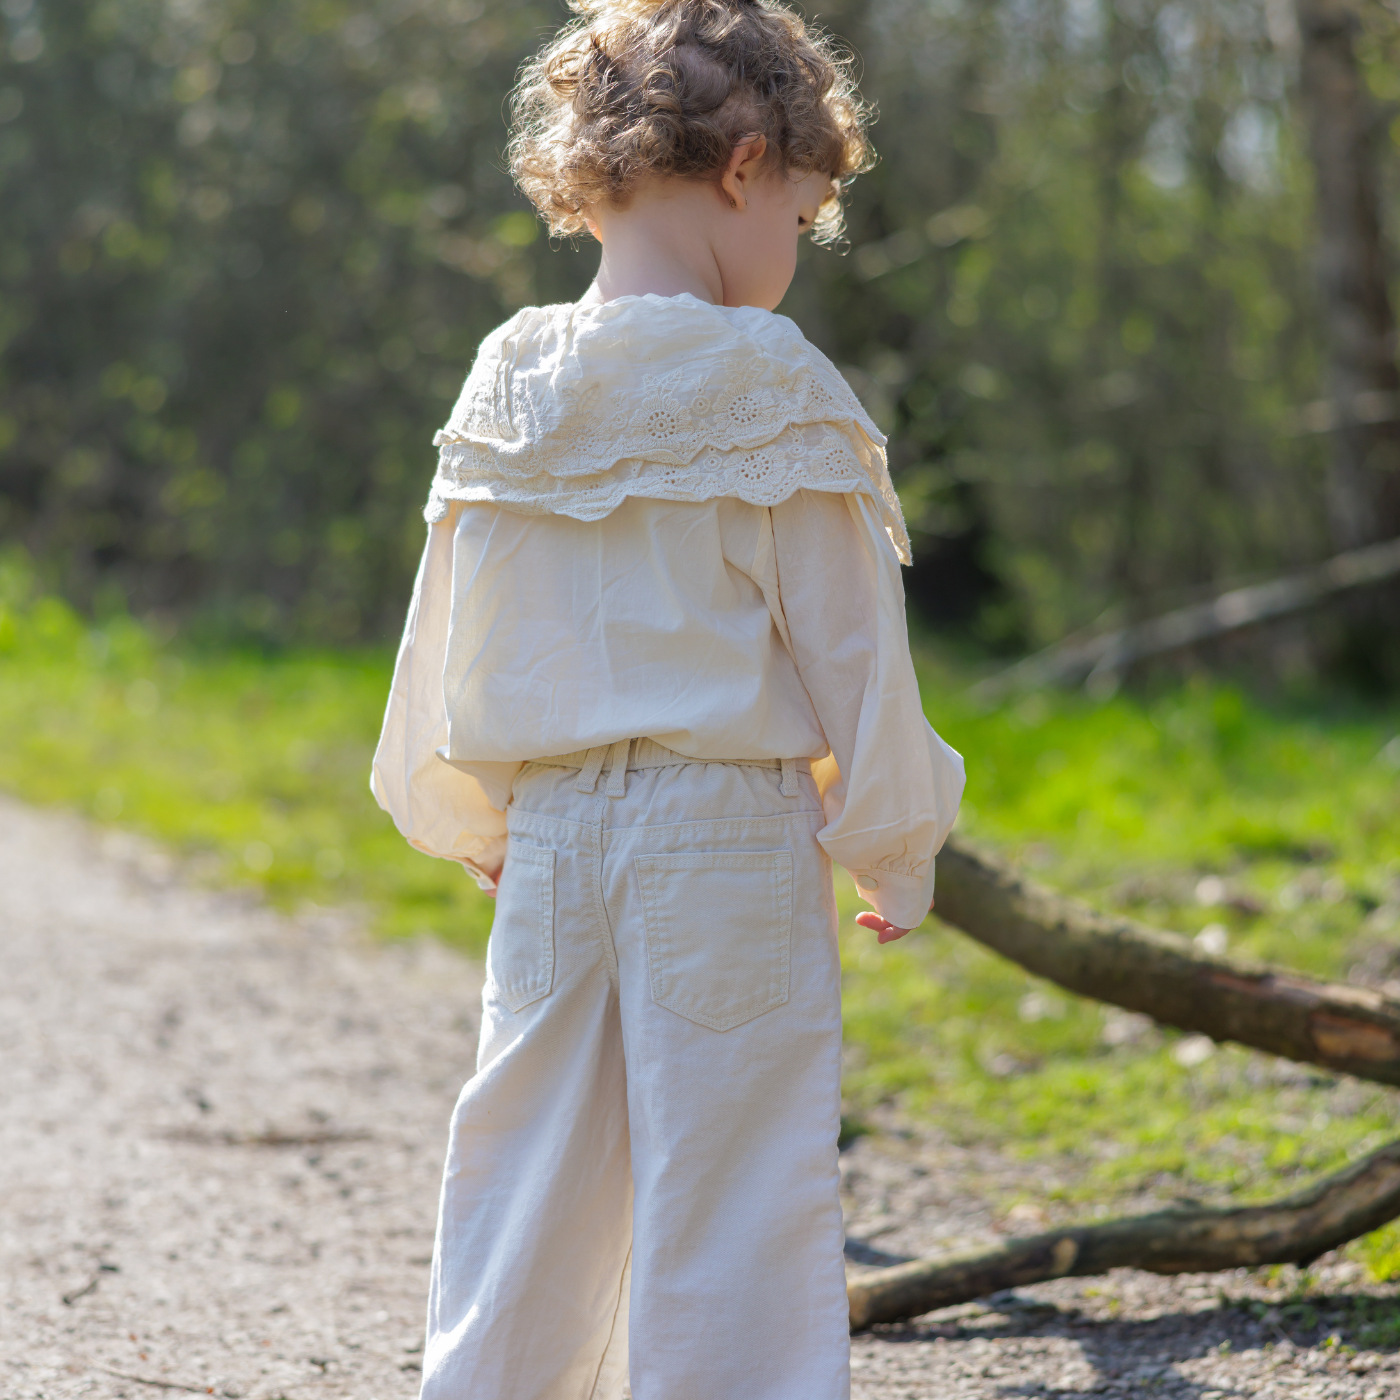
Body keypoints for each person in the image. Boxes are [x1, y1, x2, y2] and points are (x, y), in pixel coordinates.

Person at [370, 0, 966, 1394]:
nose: (796, 255)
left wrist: (468, 811)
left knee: (526, 1172)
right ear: (749, 167)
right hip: (729, 840)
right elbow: (855, 652)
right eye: (806, 217)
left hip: (557, 845)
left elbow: (450, 623)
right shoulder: (769, 382)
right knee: (736, 1182)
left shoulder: (511, 372)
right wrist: (892, 839)